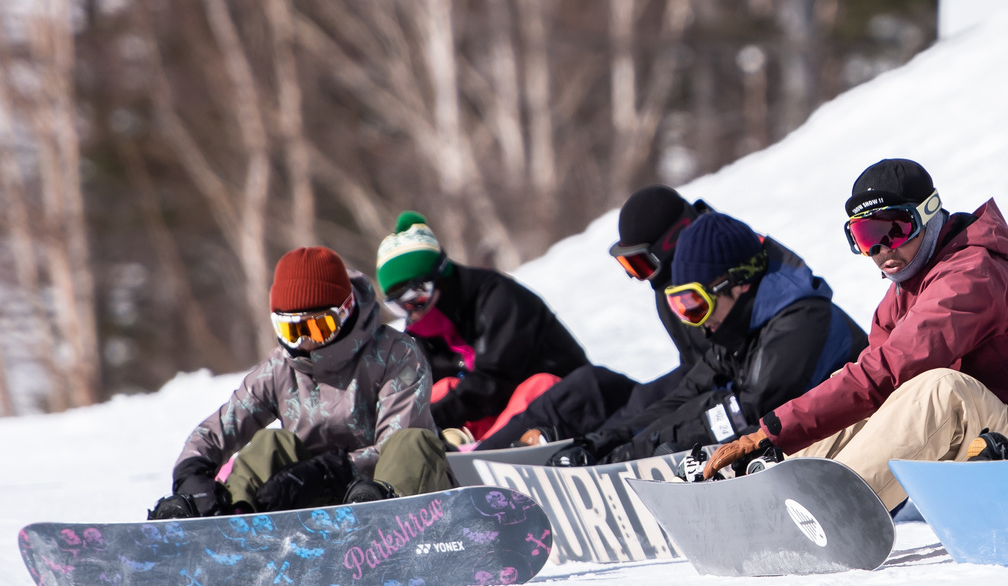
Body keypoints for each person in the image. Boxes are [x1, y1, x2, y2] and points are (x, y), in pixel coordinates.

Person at [699, 159, 1008, 511]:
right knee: (856, 392)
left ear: (929, 215)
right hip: (992, 445)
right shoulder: (901, 296)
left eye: (894, 230)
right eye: (866, 236)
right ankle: (773, 493)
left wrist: (776, 428)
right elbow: (867, 387)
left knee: (941, 390)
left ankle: (829, 511)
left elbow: (885, 371)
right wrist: (769, 438)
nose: (882, 250)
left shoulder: (971, 276)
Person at [148, 247, 450, 518]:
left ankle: (384, 523)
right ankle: (233, 524)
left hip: (389, 493)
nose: (305, 342)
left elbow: (395, 440)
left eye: (319, 327)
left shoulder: (396, 354)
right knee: (270, 444)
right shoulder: (280, 368)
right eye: (291, 330)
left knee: (413, 442)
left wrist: (326, 472)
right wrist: (192, 475)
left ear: (345, 311)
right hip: (306, 499)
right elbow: (219, 430)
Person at [546, 212, 866, 464]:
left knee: (716, 414)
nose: (697, 322)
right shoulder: (740, 323)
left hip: (851, 453)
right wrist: (611, 439)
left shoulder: (800, 325)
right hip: (799, 445)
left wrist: (636, 453)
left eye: (696, 303)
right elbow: (687, 392)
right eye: (682, 306)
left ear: (738, 284)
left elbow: (743, 412)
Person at [473, 186, 712, 451]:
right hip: (694, 383)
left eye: (640, 264)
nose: (635, 277)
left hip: (719, 402)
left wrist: (627, 435)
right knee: (590, 385)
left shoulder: (720, 274)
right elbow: (694, 370)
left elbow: (727, 380)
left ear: (672, 243)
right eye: (629, 265)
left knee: (635, 420)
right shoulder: (670, 286)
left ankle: (590, 454)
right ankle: (485, 456)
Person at [375, 211, 588, 443]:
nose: (412, 311)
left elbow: (494, 380)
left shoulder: (501, 299)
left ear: (442, 276)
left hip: (570, 403)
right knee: (435, 392)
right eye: (399, 305)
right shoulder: (423, 334)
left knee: (538, 386)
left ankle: (486, 451)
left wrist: (433, 418)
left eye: (417, 296)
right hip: (503, 413)